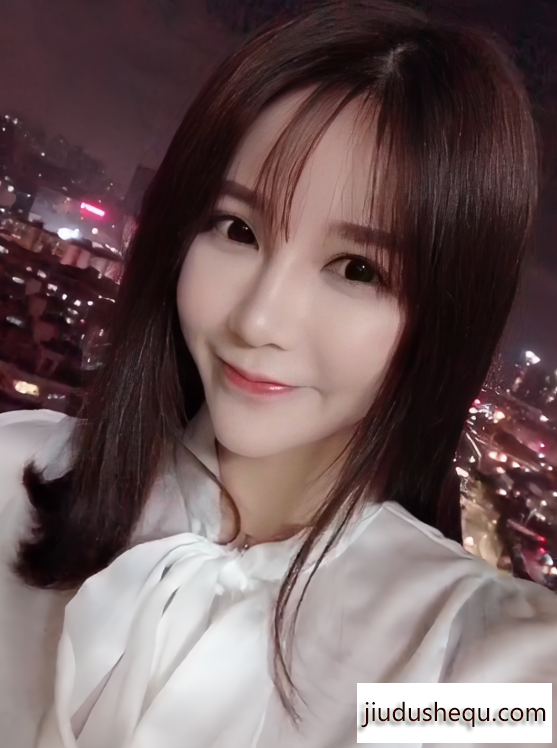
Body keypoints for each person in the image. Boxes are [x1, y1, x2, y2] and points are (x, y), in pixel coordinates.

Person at [0, 2, 556, 746]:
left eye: (357, 269)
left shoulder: (445, 667)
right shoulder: (13, 475)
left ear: (445, 318)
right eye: (238, 229)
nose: (259, 319)